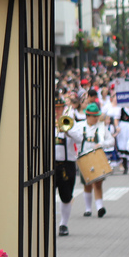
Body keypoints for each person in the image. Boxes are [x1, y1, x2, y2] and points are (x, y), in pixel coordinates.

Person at [74, 102, 113, 218]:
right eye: (94, 116)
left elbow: (112, 141)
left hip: (97, 157)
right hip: (84, 157)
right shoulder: (80, 126)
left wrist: (102, 144)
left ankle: (100, 207)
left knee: (98, 182)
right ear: (88, 116)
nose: (96, 118)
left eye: (97, 116)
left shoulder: (102, 127)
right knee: (87, 183)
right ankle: (88, 209)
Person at [54, 97, 80, 236]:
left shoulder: (70, 122)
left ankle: (63, 224)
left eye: (59, 108)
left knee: (66, 196)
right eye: (55, 108)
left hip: (66, 164)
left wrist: (67, 130)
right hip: (50, 165)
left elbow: (80, 138)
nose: (57, 111)